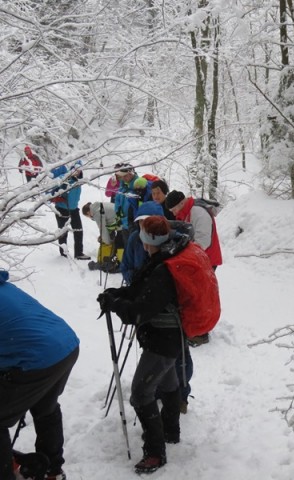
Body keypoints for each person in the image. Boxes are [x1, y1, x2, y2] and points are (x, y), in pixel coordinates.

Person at [97, 216, 190, 474]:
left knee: (140, 394)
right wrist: (116, 294)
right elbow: (141, 292)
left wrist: (115, 304)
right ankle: (171, 431)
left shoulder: (163, 269)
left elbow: (138, 312)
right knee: (169, 383)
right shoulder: (164, 257)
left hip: (163, 341)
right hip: (168, 338)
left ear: (148, 241)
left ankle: (155, 453)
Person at [0, 270, 80, 480]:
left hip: (38, 356)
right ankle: (52, 470)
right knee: (46, 407)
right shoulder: (5, 288)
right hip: (65, 345)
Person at [165, 190, 222, 346]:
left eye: (173, 209)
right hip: (196, 260)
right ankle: (197, 327)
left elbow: (203, 241)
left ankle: (201, 332)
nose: (173, 213)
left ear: (181, 203)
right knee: (193, 294)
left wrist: (182, 251)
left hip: (206, 260)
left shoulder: (198, 212)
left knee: (200, 295)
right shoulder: (186, 211)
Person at [51, 163, 89, 260]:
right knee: (63, 232)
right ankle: (63, 253)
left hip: (74, 209)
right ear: (71, 170)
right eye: (75, 170)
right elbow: (53, 189)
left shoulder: (79, 181)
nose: (77, 172)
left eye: (79, 170)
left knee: (78, 231)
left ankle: (79, 253)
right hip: (62, 209)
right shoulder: (64, 180)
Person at [81, 202, 123, 272]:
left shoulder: (97, 213)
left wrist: (106, 241)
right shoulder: (98, 206)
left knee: (119, 244)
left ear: (88, 212)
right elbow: (108, 221)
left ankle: (115, 263)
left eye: (88, 216)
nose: (90, 218)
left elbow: (102, 229)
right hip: (122, 220)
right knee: (120, 242)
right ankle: (119, 262)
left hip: (122, 224)